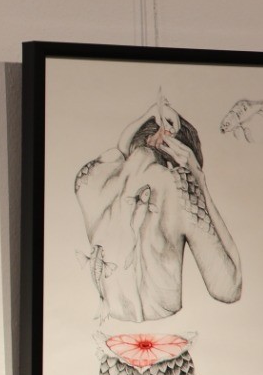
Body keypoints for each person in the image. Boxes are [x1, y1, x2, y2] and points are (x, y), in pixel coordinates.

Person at [74, 95, 241, 322]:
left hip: (110, 324)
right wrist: (200, 181)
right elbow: (229, 289)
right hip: (166, 328)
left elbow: (121, 149)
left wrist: (149, 114)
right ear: (180, 153)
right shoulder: (181, 188)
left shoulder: (90, 179)